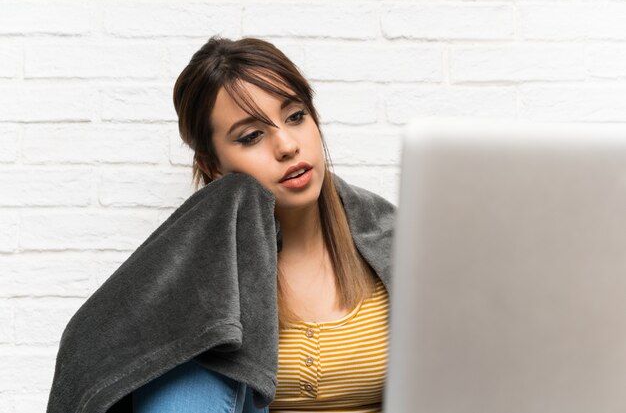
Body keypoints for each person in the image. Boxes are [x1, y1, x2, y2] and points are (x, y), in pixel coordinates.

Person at [46, 36, 395, 413]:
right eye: (251, 136)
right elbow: (96, 346)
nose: (287, 146)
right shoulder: (195, 273)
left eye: (295, 116)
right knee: (187, 339)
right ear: (213, 166)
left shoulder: (390, 238)